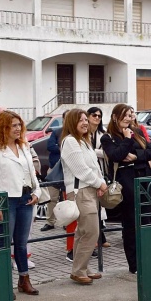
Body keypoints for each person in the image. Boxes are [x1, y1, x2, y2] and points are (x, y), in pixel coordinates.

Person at [0, 111, 41, 295]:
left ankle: (24, 280)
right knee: (4, 243)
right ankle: (2, 284)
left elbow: (32, 174)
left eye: (19, 125)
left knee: (22, 243)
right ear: (4, 127)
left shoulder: (24, 146)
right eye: (13, 125)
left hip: (25, 198)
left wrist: (37, 192)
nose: (18, 129)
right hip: (6, 201)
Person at [101, 104, 151, 274]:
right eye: (124, 115)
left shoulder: (137, 131)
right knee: (131, 224)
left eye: (129, 115)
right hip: (127, 182)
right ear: (115, 116)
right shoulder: (107, 137)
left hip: (145, 179)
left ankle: (149, 259)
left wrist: (135, 158)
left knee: (147, 221)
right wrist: (126, 139)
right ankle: (134, 265)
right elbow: (116, 155)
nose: (128, 118)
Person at [60, 110, 108, 285]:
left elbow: (94, 167)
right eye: (80, 120)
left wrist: (99, 183)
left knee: (82, 232)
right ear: (72, 122)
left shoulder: (84, 140)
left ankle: (81, 268)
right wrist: (100, 184)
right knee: (91, 231)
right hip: (80, 191)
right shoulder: (70, 141)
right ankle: (79, 270)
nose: (85, 123)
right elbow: (81, 170)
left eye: (85, 120)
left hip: (90, 190)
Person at [86, 106, 111, 248]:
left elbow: (107, 153)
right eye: (94, 115)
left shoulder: (103, 133)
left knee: (100, 206)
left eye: (99, 116)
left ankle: (101, 237)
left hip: (101, 171)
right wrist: (96, 152)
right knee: (92, 207)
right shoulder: (83, 133)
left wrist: (92, 152)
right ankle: (95, 239)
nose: (96, 118)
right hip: (88, 174)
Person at [41, 110, 69, 232]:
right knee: (52, 197)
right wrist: (65, 148)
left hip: (69, 171)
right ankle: (50, 222)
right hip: (55, 169)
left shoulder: (77, 133)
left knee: (68, 198)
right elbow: (50, 146)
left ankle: (67, 221)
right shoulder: (57, 132)